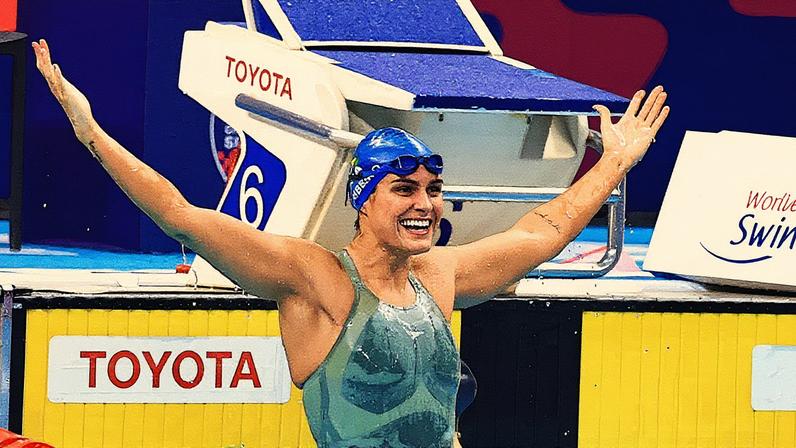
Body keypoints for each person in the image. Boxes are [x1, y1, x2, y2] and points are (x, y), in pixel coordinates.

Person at [32, 39, 669, 448]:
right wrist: (91, 133)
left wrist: (614, 164)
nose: (425, 204)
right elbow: (180, 216)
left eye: (433, 190)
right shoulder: (316, 280)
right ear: (363, 199)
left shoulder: (439, 275)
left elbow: (543, 231)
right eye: (404, 190)